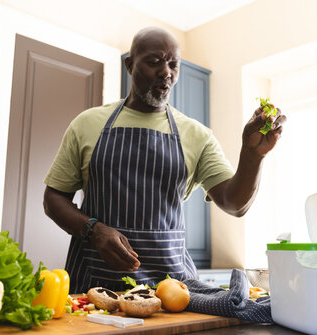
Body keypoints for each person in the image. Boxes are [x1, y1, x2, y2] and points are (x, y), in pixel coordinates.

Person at [43, 26, 286, 294]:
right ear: (129, 64)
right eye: (154, 62)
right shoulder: (87, 123)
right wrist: (93, 230)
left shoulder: (197, 135)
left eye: (174, 65)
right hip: (94, 288)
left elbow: (235, 204)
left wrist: (252, 155)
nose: (166, 72)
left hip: (172, 292)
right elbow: (54, 198)